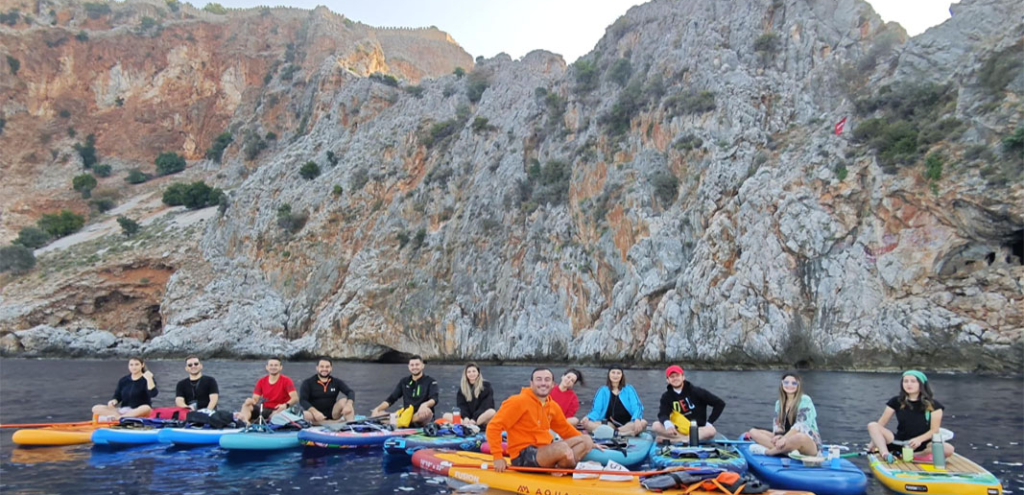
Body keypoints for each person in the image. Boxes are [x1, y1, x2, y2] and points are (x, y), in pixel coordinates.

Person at [485, 368, 596, 472]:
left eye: (547, 380)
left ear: (552, 384)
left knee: (586, 440)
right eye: (539, 379)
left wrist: (590, 444)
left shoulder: (552, 406)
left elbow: (565, 429)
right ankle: (567, 467)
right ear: (531, 383)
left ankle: (561, 467)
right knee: (562, 448)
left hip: (545, 450)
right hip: (522, 455)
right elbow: (493, 427)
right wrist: (497, 456)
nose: (543, 383)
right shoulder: (517, 401)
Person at [867, 370, 954, 461]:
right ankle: (885, 454)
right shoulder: (896, 401)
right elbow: (881, 423)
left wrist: (919, 440)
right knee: (872, 425)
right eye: (906, 381)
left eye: (913, 381)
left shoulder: (934, 405)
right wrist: (872, 443)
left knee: (948, 449)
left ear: (921, 384)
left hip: (921, 444)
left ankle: (917, 455)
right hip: (899, 442)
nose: (909, 384)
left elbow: (934, 430)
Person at [746, 372, 820, 456]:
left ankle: (769, 452)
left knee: (799, 437)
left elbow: (801, 425)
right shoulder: (779, 403)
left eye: (794, 383)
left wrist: (784, 438)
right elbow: (778, 425)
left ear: (798, 385)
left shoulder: (805, 400)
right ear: (782, 384)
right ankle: (787, 451)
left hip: (807, 442)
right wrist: (779, 436)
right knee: (753, 432)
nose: (790, 385)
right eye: (786, 382)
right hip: (786, 439)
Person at [652, 365, 725, 443]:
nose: (675, 378)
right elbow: (663, 414)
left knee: (711, 431)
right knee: (655, 425)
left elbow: (719, 403)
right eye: (672, 377)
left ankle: (677, 440)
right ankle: (687, 439)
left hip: (697, 428)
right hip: (679, 429)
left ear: (683, 377)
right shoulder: (666, 396)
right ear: (668, 380)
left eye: (677, 375)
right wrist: (668, 424)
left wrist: (709, 422)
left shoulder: (696, 391)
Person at [370, 355, 439, 426]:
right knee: (378, 413)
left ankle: (396, 421)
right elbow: (391, 399)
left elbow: (434, 398)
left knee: (427, 412)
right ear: (409, 367)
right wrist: (377, 409)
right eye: (412, 365)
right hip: (406, 415)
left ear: (422, 366)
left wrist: (425, 405)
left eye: (417, 365)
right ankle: (401, 421)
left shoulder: (431, 381)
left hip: (420, 416)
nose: (414, 367)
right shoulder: (404, 381)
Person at [581, 365, 648, 436]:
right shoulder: (602, 390)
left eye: (618, 373)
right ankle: (620, 434)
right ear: (609, 374)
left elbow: (637, 407)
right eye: (613, 372)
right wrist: (588, 417)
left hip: (627, 423)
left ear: (622, 375)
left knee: (643, 422)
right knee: (587, 423)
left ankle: (614, 433)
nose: (615, 375)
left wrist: (637, 419)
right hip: (609, 424)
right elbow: (596, 410)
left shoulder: (629, 389)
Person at [91, 357, 158, 420]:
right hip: (124, 410)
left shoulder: (147, 379)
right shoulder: (124, 380)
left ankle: (119, 418)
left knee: (146, 408)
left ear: (142, 365)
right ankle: (119, 417)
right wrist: (114, 401)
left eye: (136, 364)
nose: (134, 367)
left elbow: (153, 394)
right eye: (131, 365)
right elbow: (117, 396)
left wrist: (149, 379)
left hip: (139, 411)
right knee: (96, 408)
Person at [238, 357, 299, 424]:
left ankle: (265, 422)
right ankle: (245, 423)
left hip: (280, 409)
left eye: (276, 365)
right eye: (271, 365)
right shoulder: (261, 381)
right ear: (267, 367)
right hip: (265, 409)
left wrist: (285, 405)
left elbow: (295, 398)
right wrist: (250, 401)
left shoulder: (287, 381)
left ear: (280, 367)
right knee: (246, 405)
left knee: (275, 416)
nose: (273, 367)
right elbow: (255, 399)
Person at [298, 357, 355, 424]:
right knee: (306, 415)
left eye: (327, 367)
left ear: (331, 368)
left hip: (332, 413)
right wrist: (315, 412)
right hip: (314, 415)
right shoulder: (308, 382)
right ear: (317, 368)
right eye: (322, 366)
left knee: (345, 401)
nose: (324, 369)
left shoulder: (336, 382)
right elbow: (303, 400)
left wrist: (349, 404)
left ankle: (351, 424)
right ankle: (331, 423)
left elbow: (350, 392)